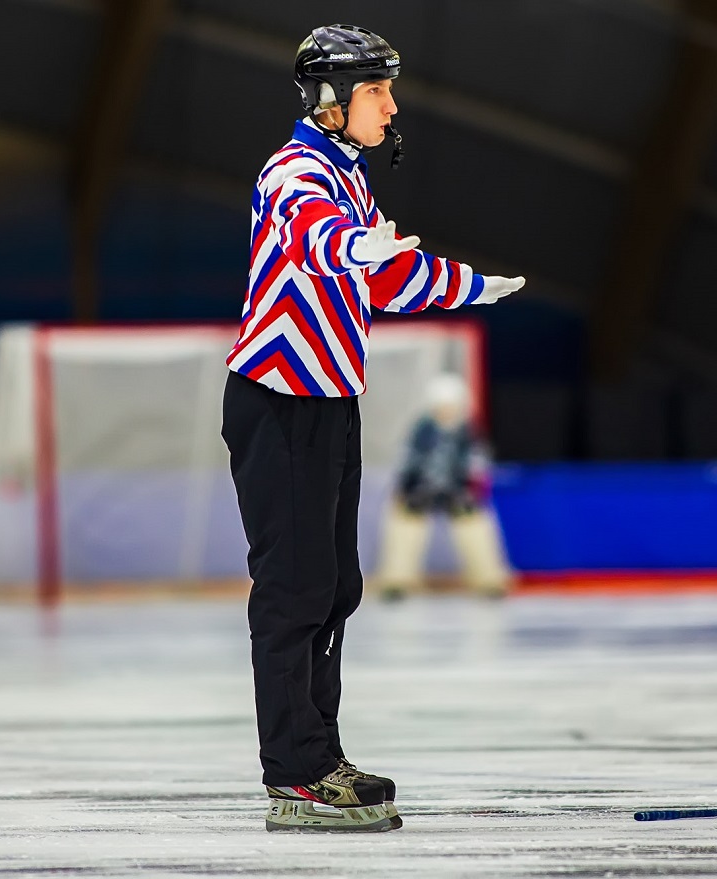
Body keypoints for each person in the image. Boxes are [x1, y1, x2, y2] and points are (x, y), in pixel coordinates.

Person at [221, 24, 525, 833]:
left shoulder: (347, 176)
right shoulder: (296, 173)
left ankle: (322, 753)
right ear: (330, 102)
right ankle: (295, 772)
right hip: (279, 400)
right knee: (293, 590)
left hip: (326, 400)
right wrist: (359, 243)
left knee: (336, 587)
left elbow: (387, 273)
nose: (392, 105)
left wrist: (473, 286)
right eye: (376, 91)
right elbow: (321, 244)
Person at [373, 373, 513, 600]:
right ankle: (396, 579)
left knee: (476, 526)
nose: (446, 410)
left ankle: (489, 579)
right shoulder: (421, 431)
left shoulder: (468, 432)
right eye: (441, 406)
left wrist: (471, 490)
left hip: (457, 491)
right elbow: (406, 461)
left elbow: (478, 464)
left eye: (451, 406)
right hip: (422, 490)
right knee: (403, 525)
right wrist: (407, 488)